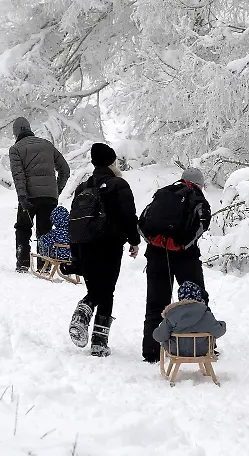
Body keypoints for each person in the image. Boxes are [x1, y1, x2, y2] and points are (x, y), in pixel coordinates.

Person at [67, 143, 140, 357]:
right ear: (111, 162)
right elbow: (129, 215)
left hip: (84, 245)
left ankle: (85, 311)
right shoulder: (118, 185)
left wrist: (75, 250)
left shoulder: (83, 188)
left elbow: (74, 221)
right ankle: (98, 341)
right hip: (109, 245)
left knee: (96, 290)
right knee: (107, 291)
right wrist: (134, 241)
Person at [138, 167, 212, 363]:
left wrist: (155, 242)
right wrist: (181, 245)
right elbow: (203, 225)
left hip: (156, 256)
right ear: (199, 184)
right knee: (197, 299)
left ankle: (152, 352)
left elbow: (141, 223)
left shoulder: (163, 194)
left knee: (155, 304)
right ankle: (203, 346)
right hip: (185, 258)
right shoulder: (197, 199)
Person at [9, 117, 70, 272]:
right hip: (49, 197)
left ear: (16, 133)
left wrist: (22, 197)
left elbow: (18, 175)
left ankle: (23, 263)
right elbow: (65, 170)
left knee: (23, 227)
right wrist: (56, 191)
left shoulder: (15, 149)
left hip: (28, 197)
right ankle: (45, 265)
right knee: (45, 230)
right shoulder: (47, 145)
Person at [152, 281, 226, 358]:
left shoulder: (172, 314)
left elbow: (159, 336)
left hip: (176, 351)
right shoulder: (205, 313)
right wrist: (222, 324)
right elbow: (218, 331)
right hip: (202, 351)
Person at [36, 205, 72, 274]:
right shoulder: (71, 231)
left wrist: (41, 239)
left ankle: (44, 266)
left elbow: (47, 242)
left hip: (57, 255)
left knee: (45, 243)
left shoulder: (55, 233)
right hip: (70, 255)